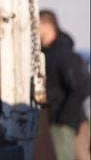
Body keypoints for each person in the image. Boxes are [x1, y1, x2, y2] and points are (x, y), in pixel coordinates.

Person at [39, 10, 91, 160]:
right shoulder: (48, 53)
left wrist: (64, 117)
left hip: (65, 123)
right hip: (57, 120)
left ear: (48, 25)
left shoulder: (63, 54)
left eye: (37, 25)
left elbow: (82, 86)